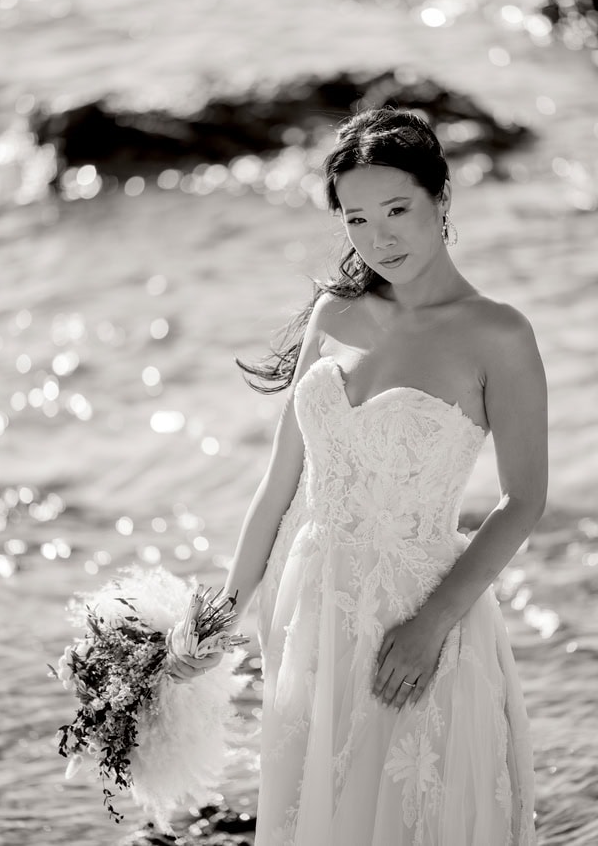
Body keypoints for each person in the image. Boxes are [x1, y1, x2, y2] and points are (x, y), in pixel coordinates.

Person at [171, 107, 547, 845]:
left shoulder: (497, 332)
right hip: (313, 615)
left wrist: (431, 624)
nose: (380, 237)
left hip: (422, 619)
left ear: (442, 200)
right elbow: (281, 482)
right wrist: (224, 611)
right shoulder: (333, 314)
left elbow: (524, 500)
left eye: (398, 209)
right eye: (357, 219)